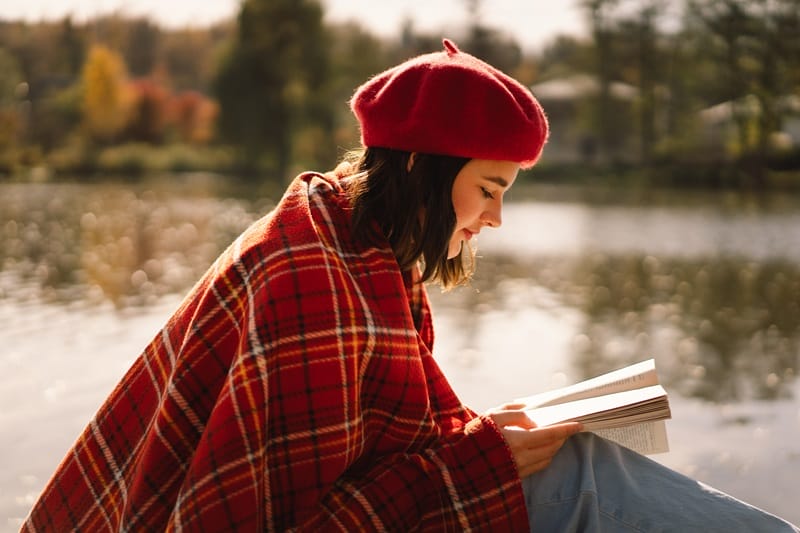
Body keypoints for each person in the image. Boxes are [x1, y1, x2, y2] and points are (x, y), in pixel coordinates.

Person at [22, 39, 798, 532]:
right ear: (426, 167)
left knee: (581, 458)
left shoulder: (356, 246)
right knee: (588, 477)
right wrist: (488, 456)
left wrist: (491, 430)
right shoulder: (310, 279)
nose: (494, 219)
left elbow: (381, 454)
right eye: (490, 188)